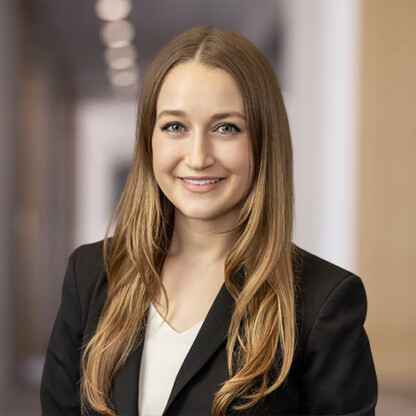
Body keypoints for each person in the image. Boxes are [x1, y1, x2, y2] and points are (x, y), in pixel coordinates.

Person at [40, 26, 377, 415]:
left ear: (264, 141)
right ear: (149, 140)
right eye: (175, 127)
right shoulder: (91, 274)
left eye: (226, 128)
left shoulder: (323, 301)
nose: (198, 156)